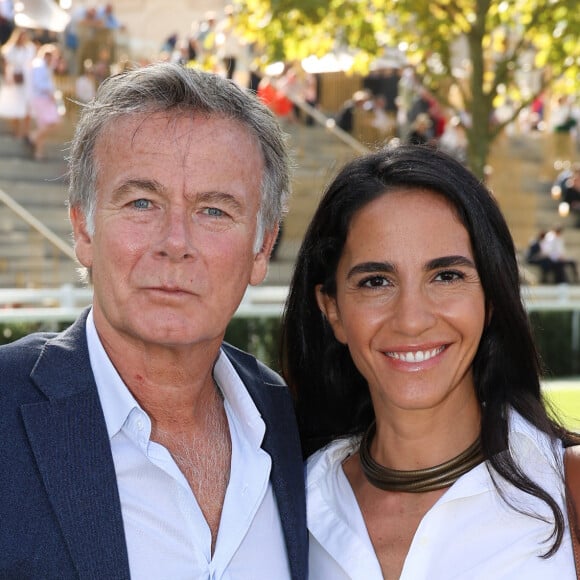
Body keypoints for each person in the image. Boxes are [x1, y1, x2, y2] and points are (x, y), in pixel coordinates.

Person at [0, 62, 307, 579]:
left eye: (214, 210)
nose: (176, 244)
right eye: (142, 202)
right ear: (83, 227)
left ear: (263, 247)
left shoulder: (290, 421)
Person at [280, 144, 580, 578]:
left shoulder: (569, 493)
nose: (412, 320)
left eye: (446, 276)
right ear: (332, 311)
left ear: (491, 297)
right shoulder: (289, 505)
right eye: (376, 281)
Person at [0, 27, 35, 139]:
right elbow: (7, 65)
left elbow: (31, 64)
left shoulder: (30, 49)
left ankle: (25, 131)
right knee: (15, 107)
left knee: (27, 107)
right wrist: (9, 76)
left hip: (27, 80)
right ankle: (17, 131)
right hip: (14, 81)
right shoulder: (11, 49)